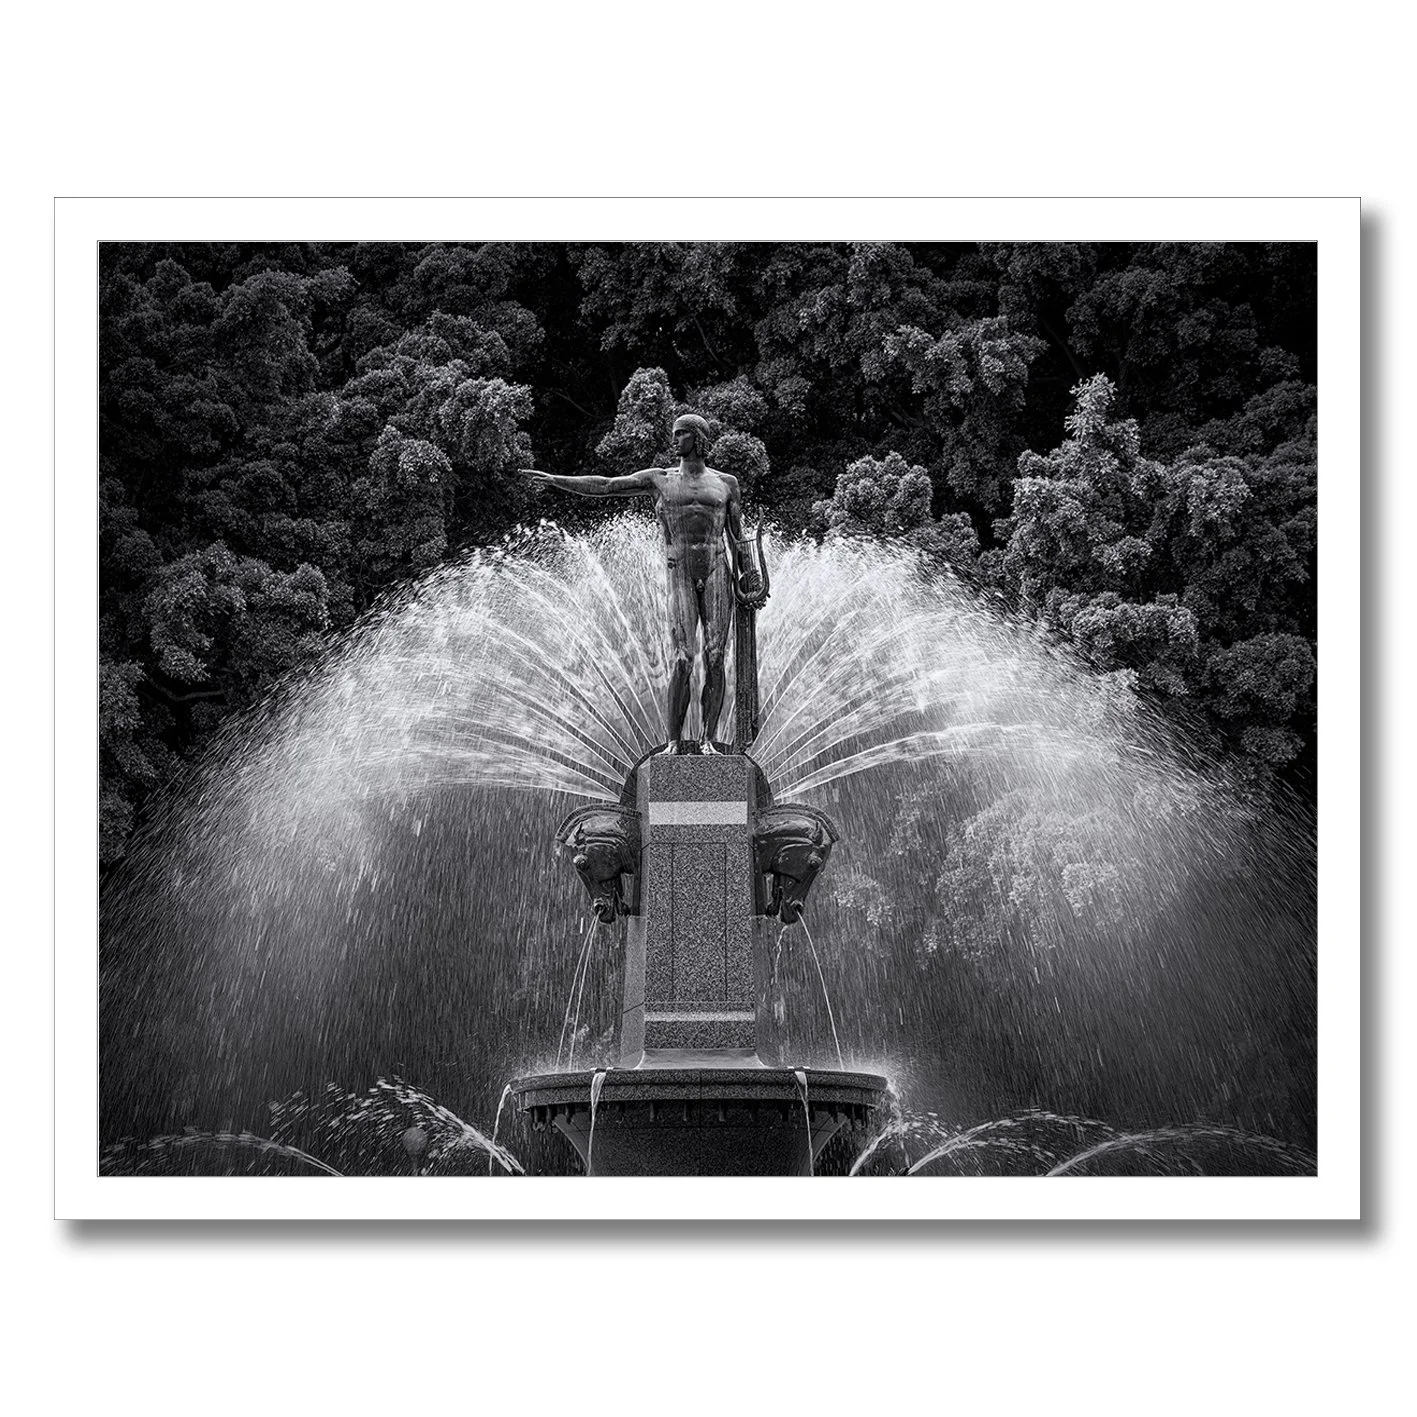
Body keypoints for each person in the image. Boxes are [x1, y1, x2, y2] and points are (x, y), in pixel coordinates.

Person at [522, 413, 761, 754]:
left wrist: (749, 575)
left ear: (697, 438)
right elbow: (606, 485)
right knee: (682, 658)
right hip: (679, 570)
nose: (674, 441)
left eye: (680, 435)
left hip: (717, 570)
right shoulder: (660, 480)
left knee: (715, 656)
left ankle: (708, 741)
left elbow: (738, 539)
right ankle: (674, 742)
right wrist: (555, 479)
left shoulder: (726, 484)